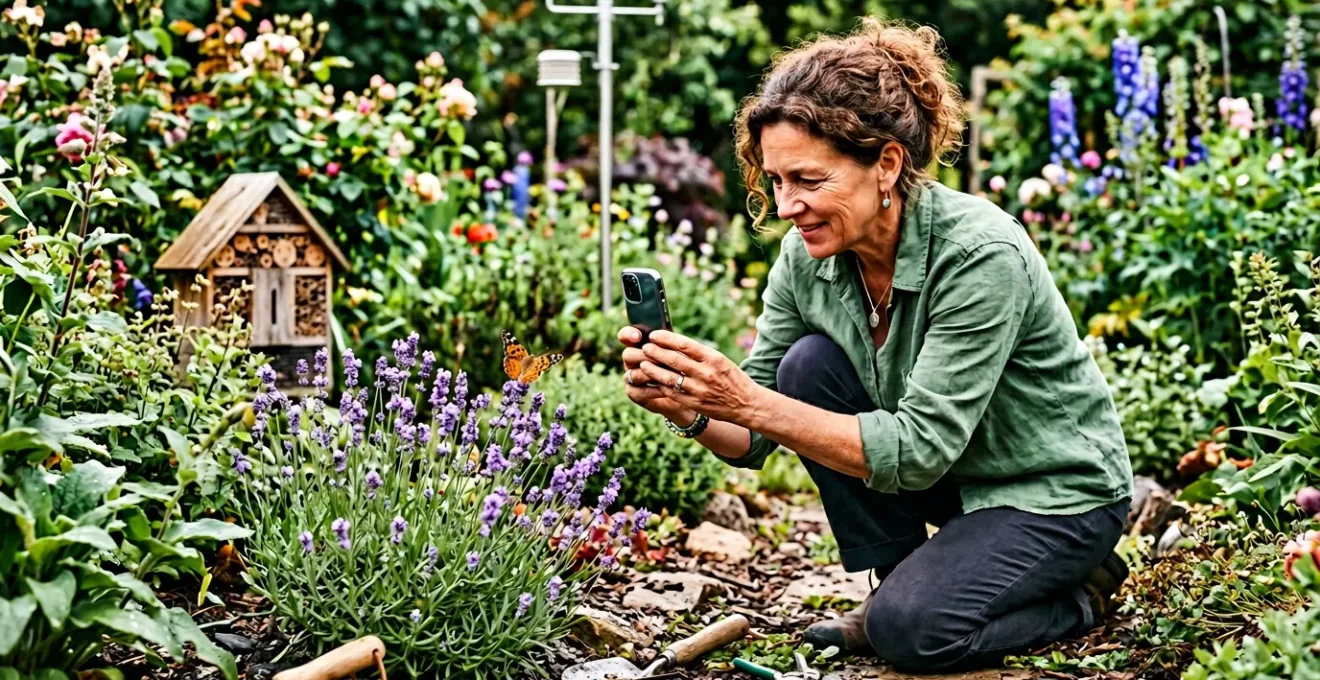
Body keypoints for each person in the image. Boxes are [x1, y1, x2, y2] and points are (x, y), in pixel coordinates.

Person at [617, 18, 1134, 674]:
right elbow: (752, 440)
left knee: (915, 634)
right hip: (961, 480)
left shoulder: (979, 255)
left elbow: (916, 452)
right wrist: (687, 406)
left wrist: (747, 401)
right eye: (776, 182)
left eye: (807, 179)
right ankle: (900, 583)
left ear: (887, 163)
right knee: (807, 366)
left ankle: (1081, 595)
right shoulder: (804, 263)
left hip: (1055, 493)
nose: (786, 205)